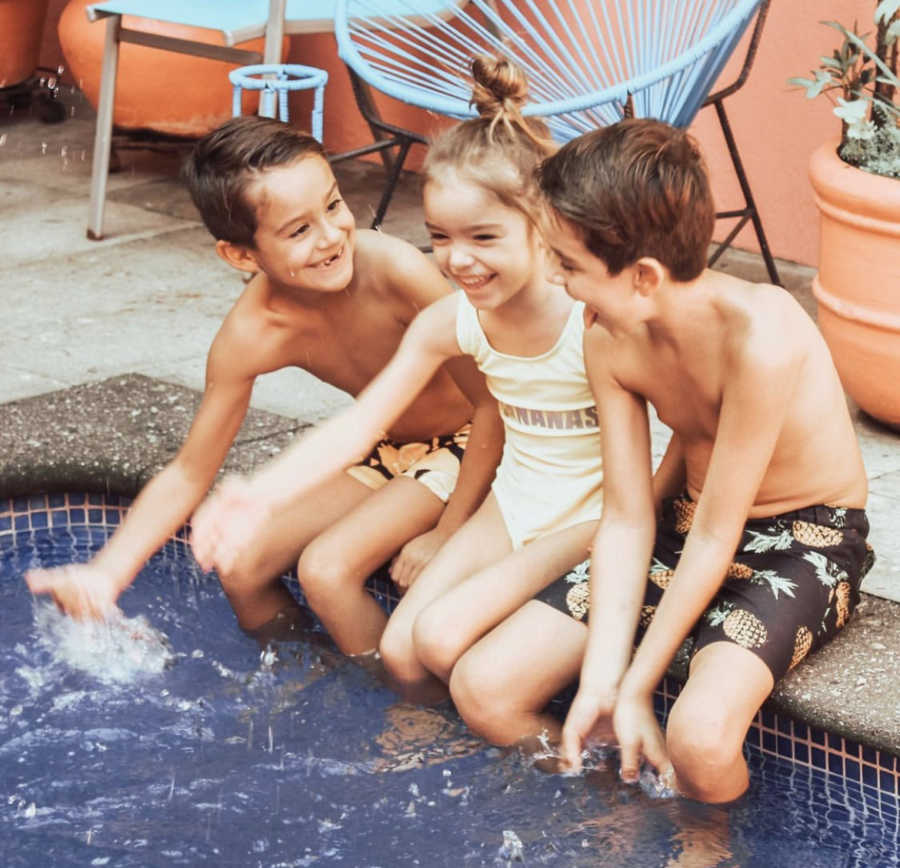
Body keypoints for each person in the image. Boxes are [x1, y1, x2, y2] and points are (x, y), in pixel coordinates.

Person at [449, 117, 873, 804]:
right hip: (683, 524)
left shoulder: (763, 336)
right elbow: (626, 518)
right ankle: (617, 809)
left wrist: (636, 685)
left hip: (801, 539)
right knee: (484, 687)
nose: (556, 280)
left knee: (700, 741)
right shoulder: (608, 337)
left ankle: (713, 843)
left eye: (569, 264)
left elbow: (717, 534)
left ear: (643, 276)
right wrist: (601, 682)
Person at [190, 56, 605, 701]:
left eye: (483, 236)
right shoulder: (448, 319)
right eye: (439, 236)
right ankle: (330, 697)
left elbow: (501, 415)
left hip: (512, 471)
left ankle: (414, 714)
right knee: (274, 580)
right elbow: (360, 425)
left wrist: (448, 531)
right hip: (449, 470)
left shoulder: (584, 321)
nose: (457, 260)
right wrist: (254, 496)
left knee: (343, 580)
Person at [26, 115, 503, 656]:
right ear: (241, 255)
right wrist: (107, 573)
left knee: (326, 570)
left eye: (333, 205)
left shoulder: (395, 271)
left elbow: (494, 405)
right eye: (299, 230)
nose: (331, 236)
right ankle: (299, 676)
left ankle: (405, 715)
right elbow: (189, 472)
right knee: (242, 564)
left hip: (473, 442)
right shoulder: (251, 335)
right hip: (387, 448)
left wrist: (451, 530)